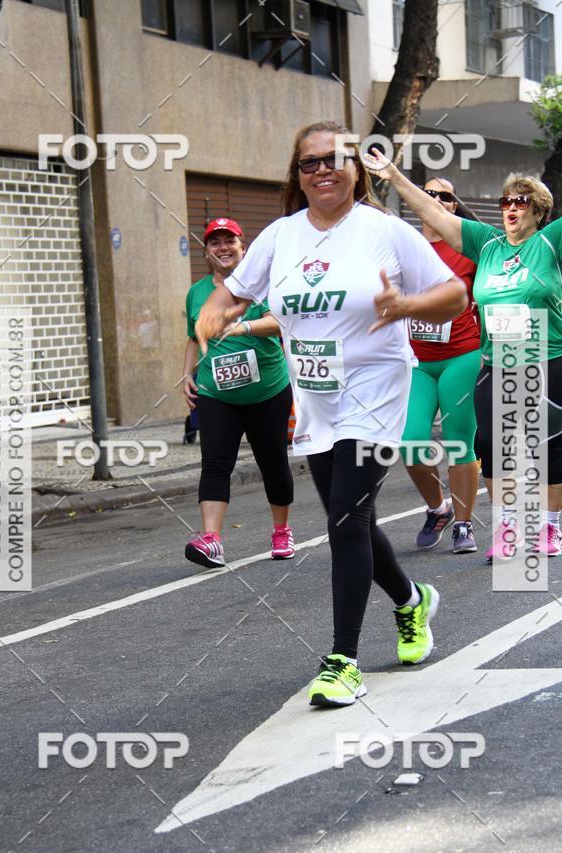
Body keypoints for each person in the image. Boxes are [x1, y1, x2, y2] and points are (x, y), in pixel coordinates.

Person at [195, 122, 466, 707]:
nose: (323, 170)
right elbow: (233, 293)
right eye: (310, 163)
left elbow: (455, 296)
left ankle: (343, 660)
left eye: (335, 160)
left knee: (345, 517)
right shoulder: (280, 237)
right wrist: (213, 315)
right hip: (315, 394)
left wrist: (407, 305)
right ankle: (412, 602)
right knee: (357, 519)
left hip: (377, 384)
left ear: (356, 168)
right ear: (297, 174)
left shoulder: (385, 232)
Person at [364, 148, 562, 559]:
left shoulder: (550, 241)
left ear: (539, 211)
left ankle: (549, 527)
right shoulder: (485, 243)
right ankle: (508, 530)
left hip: (548, 355)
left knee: (548, 444)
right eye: (506, 201)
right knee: (492, 443)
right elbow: (434, 215)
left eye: (521, 202)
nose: (511, 208)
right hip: (497, 360)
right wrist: (395, 176)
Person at [183, 216, 295, 568]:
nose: (223, 248)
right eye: (215, 242)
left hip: (268, 391)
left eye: (229, 240)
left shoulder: (262, 285)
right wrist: (187, 372)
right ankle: (212, 539)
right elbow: (192, 335)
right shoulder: (197, 293)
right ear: (207, 253)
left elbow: (281, 322)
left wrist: (241, 326)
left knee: (273, 462)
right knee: (214, 464)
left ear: (243, 247)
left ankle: (281, 530)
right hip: (218, 394)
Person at [400, 176, 481, 553]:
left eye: (444, 196)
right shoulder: (404, 247)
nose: (434, 199)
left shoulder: (469, 249)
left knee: (459, 442)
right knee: (410, 441)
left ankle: (464, 525)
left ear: (453, 207)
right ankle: (439, 508)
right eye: (427, 193)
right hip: (418, 362)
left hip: (461, 356)